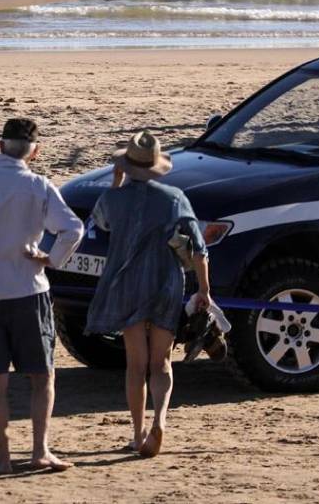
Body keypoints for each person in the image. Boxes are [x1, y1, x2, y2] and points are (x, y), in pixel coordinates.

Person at [0, 118, 84, 473]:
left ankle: (3, 457)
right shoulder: (38, 185)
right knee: (42, 377)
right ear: (35, 152)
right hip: (29, 289)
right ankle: (39, 450)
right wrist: (51, 259)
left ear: (0, 147)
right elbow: (73, 229)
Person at [84, 130, 213, 459]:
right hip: (165, 281)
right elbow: (199, 248)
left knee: (135, 365)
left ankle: (138, 433)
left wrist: (115, 184)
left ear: (126, 166)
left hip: (127, 284)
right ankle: (161, 420)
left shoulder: (114, 197)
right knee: (161, 362)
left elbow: (101, 223)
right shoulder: (173, 197)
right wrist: (204, 290)